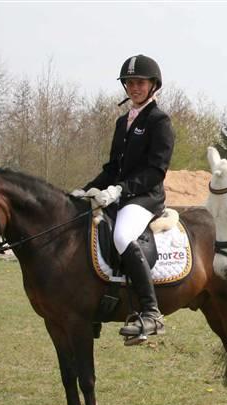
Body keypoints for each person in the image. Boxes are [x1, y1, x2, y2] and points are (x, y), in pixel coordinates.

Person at [75, 54, 174, 341]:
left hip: (145, 198)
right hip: (119, 195)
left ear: (153, 85)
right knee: (83, 224)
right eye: (129, 83)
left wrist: (120, 190)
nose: (134, 88)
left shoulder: (159, 121)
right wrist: (86, 190)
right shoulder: (123, 122)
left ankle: (151, 312)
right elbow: (112, 168)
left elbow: (156, 170)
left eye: (140, 83)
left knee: (121, 236)